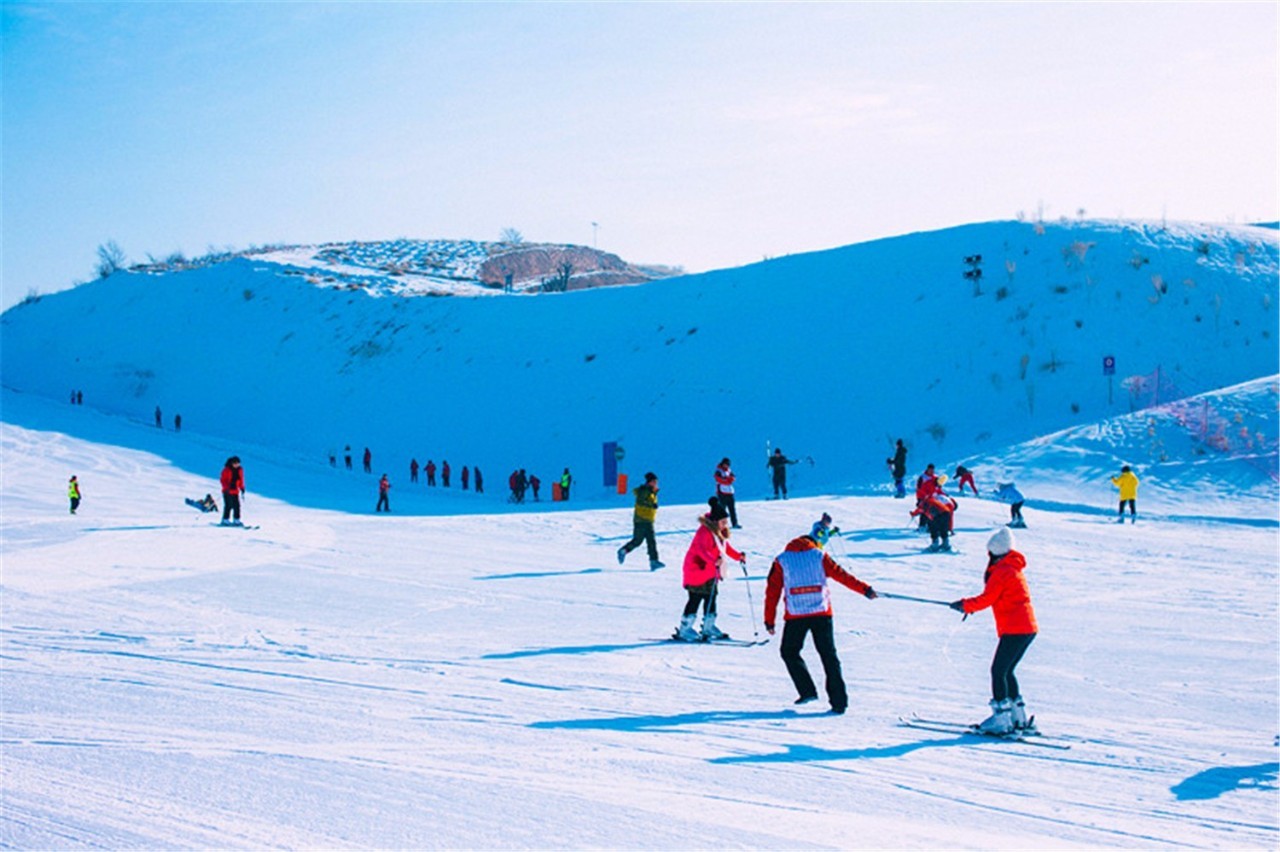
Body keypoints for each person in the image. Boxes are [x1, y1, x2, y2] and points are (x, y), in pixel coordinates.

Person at [763, 515, 877, 714]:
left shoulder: (782, 559)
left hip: (796, 614)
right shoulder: (818, 555)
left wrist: (769, 620)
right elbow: (842, 576)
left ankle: (807, 691)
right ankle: (839, 702)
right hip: (821, 612)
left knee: (789, 652)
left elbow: (772, 591)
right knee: (828, 656)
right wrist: (865, 590)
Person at [949, 527, 1038, 734]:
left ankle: (1002, 720)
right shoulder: (1013, 568)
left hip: (1015, 628)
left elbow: (988, 598)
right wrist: (967, 606)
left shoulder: (1002, 571)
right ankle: (1018, 718)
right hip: (1026, 627)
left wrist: (965, 605)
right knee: (1007, 671)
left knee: (998, 671)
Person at [673, 498, 746, 642]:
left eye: (726, 522)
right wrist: (714, 561)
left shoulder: (719, 533)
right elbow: (702, 551)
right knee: (695, 598)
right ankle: (684, 629)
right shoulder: (704, 533)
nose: (726, 524)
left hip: (711, 571)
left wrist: (739, 556)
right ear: (715, 521)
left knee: (711, 598)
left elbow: (725, 549)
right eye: (723, 521)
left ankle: (708, 626)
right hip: (697, 570)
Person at [617, 472, 663, 570]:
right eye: (654, 482)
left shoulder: (651, 492)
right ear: (649, 482)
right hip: (641, 520)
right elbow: (641, 502)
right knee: (638, 541)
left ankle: (653, 561)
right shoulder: (644, 491)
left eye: (656, 482)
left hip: (648, 520)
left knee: (651, 541)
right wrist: (651, 505)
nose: (656, 483)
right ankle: (623, 551)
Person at [915, 475, 958, 551]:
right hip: (943, 512)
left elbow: (921, 509)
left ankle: (935, 545)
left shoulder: (929, 500)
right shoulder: (948, 502)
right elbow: (950, 518)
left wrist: (913, 513)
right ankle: (946, 544)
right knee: (943, 528)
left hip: (937, 512)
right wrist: (950, 529)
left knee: (933, 527)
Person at [714, 458, 740, 528]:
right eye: (725, 464)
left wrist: (729, 480)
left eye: (728, 464)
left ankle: (734, 523)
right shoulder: (718, 471)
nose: (727, 466)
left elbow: (733, 478)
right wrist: (727, 480)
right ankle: (719, 525)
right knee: (722, 510)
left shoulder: (729, 470)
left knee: (732, 509)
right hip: (722, 493)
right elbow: (719, 480)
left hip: (730, 492)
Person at [220, 456, 245, 526]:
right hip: (227, 491)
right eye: (235, 463)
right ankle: (225, 520)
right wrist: (226, 487)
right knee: (229, 505)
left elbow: (241, 479)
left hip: (235, 491)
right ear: (232, 463)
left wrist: (242, 488)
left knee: (237, 505)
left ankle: (236, 520)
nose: (237, 465)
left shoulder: (240, 470)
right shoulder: (226, 470)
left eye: (238, 463)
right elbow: (222, 480)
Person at [914, 463, 938, 530]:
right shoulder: (922, 477)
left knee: (933, 511)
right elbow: (919, 488)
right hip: (922, 497)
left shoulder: (935, 477)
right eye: (930, 470)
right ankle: (922, 525)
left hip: (932, 497)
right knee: (924, 510)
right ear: (927, 469)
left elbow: (938, 487)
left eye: (932, 470)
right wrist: (923, 496)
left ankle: (931, 526)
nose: (931, 471)